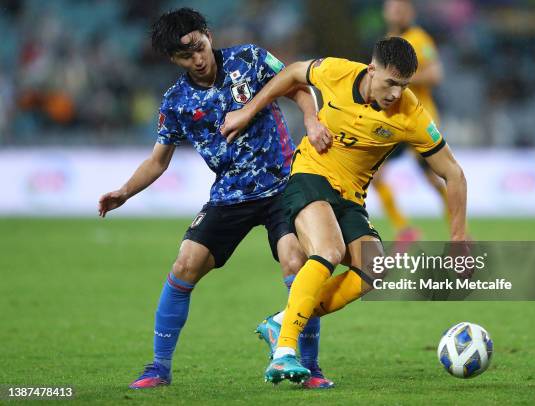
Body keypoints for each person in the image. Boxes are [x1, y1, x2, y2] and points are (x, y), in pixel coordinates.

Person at [97, 8, 334, 389]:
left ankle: (310, 366)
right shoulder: (176, 101)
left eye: (199, 47)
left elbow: (299, 88)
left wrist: (310, 119)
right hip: (230, 194)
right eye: (185, 55)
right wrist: (125, 191)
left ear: (207, 34)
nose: (197, 58)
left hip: (283, 185)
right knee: (185, 264)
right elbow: (158, 161)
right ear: (173, 60)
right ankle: (158, 367)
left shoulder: (249, 59)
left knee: (297, 260)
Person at [221, 37, 468, 384]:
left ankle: (281, 321)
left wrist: (458, 236)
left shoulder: (410, 113)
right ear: (372, 70)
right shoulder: (337, 72)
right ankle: (284, 353)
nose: (396, 94)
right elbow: (293, 73)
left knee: (374, 269)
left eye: (404, 86)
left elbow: (453, 172)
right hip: (310, 175)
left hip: (351, 197)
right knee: (329, 250)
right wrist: (250, 111)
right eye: (390, 83)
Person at [372, 0, 450, 241]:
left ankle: (459, 230)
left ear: (409, 11)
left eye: (400, 7)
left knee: (435, 178)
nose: (395, 11)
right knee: (374, 175)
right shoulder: (384, 43)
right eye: (392, 6)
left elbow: (436, 74)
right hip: (393, 119)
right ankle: (405, 230)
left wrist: (400, 77)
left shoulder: (419, 38)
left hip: (419, 118)